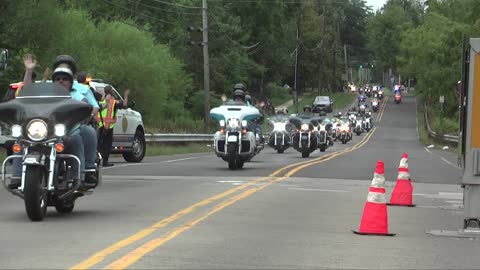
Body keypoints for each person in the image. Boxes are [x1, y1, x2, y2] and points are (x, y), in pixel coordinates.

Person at [9, 54, 89, 189]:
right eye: (57, 79)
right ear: (53, 81)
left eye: (65, 79)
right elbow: (26, 93)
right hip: (43, 132)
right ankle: (17, 176)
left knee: (76, 138)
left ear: (71, 81)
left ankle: (78, 177)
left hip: (65, 134)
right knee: (20, 139)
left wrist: (86, 111)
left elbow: (86, 108)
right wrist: (29, 70)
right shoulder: (45, 93)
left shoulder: (78, 96)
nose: (61, 81)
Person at [97, 85, 129, 167]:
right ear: (111, 92)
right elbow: (125, 105)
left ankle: (97, 161)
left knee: (99, 145)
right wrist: (125, 96)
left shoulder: (100, 101)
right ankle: (105, 161)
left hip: (99, 125)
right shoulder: (114, 102)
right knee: (107, 145)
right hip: (108, 127)